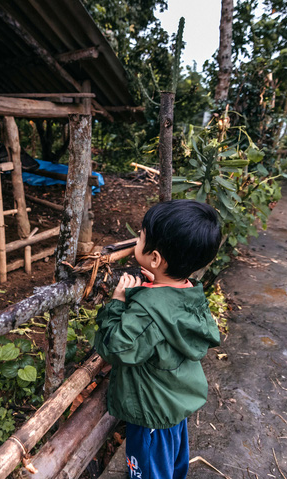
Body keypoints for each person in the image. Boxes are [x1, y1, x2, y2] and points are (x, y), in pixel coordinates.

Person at [94, 199, 222, 479]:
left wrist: (116, 303)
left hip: (151, 413)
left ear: (154, 258)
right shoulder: (189, 293)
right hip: (174, 405)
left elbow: (115, 348)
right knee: (172, 464)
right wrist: (154, 285)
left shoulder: (147, 310)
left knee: (147, 470)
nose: (135, 242)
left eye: (140, 239)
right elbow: (165, 312)